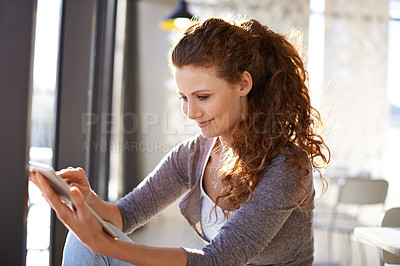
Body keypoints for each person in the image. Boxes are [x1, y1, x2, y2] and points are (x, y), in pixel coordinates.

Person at [30, 17, 330, 265]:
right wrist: (88, 200)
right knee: (83, 242)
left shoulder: (287, 167)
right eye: (184, 98)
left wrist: (101, 243)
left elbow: (218, 259)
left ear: (243, 84)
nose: (190, 111)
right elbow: (125, 216)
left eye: (202, 97)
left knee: (92, 243)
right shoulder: (192, 155)